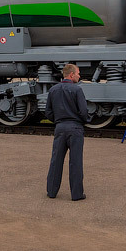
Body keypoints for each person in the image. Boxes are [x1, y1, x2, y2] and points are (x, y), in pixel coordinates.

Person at [45, 63, 89, 201]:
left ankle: (51, 192)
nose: (79, 76)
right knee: (75, 162)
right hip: (75, 128)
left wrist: (58, 121)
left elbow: (48, 112)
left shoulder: (53, 90)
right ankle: (76, 195)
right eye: (78, 73)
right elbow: (83, 111)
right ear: (71, 75)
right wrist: (85, 120)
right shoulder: (77, 90)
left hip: (60, 128)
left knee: (56, 160)